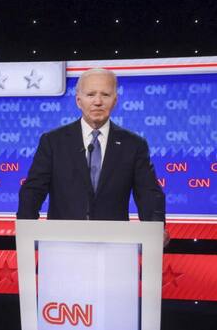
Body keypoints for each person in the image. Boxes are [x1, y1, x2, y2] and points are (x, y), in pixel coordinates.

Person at [17, 68, 166, 225]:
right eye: (90, 94)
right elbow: (33, 191)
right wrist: (26, 229)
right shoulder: (53, 141)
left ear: (115, 100)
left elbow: (149, 194)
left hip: (115, 242)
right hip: (62, 241)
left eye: (105, 95)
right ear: (78, 101)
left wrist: (155, 231)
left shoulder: (134, 145)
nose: (98, 102)